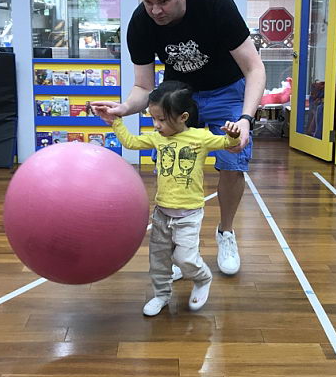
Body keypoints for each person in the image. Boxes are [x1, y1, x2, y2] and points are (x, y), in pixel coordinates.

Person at [92, 0, 266, 276]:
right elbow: (143, 87)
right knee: (172, 165)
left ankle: (226, 232)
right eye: (148, 2)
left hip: (227, 90)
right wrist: (123, 108)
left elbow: (254, 68)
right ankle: (180, 246)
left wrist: (246, 118)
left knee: (232, 163)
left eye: (163, 1)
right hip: (179, 95)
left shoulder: (213, 1)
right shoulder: (141, 23)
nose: (156, 10)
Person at [96, 81, 241, 316]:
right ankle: (161, 295)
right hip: (162, 213)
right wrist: (116, 122)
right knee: (159, 260)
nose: (156, 125)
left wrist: (233, 135)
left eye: (161, 120)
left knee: (184, 258)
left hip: (189, 214)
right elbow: (131, 142)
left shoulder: (200, 138)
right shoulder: (158, 138)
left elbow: (227, 143)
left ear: (183, 117)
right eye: (153, 118)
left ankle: (202, 278)